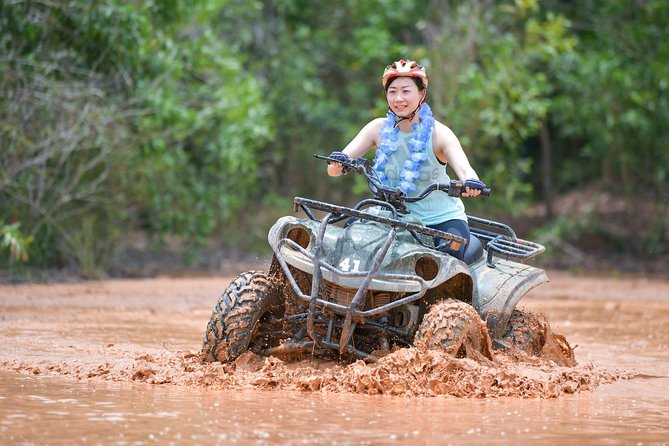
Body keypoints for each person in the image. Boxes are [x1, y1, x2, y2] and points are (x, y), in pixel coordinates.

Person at [326, 59, 487, 260]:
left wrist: (471, 182)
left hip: (439, 220)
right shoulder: (377, 128)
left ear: (422, 94)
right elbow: (335, 168)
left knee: (448, 256)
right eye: (392, 92)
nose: (398, 98)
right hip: (391, 215)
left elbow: (465, 169)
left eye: (406, 91)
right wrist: (339, 163)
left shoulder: (439, 134)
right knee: (350, 235)